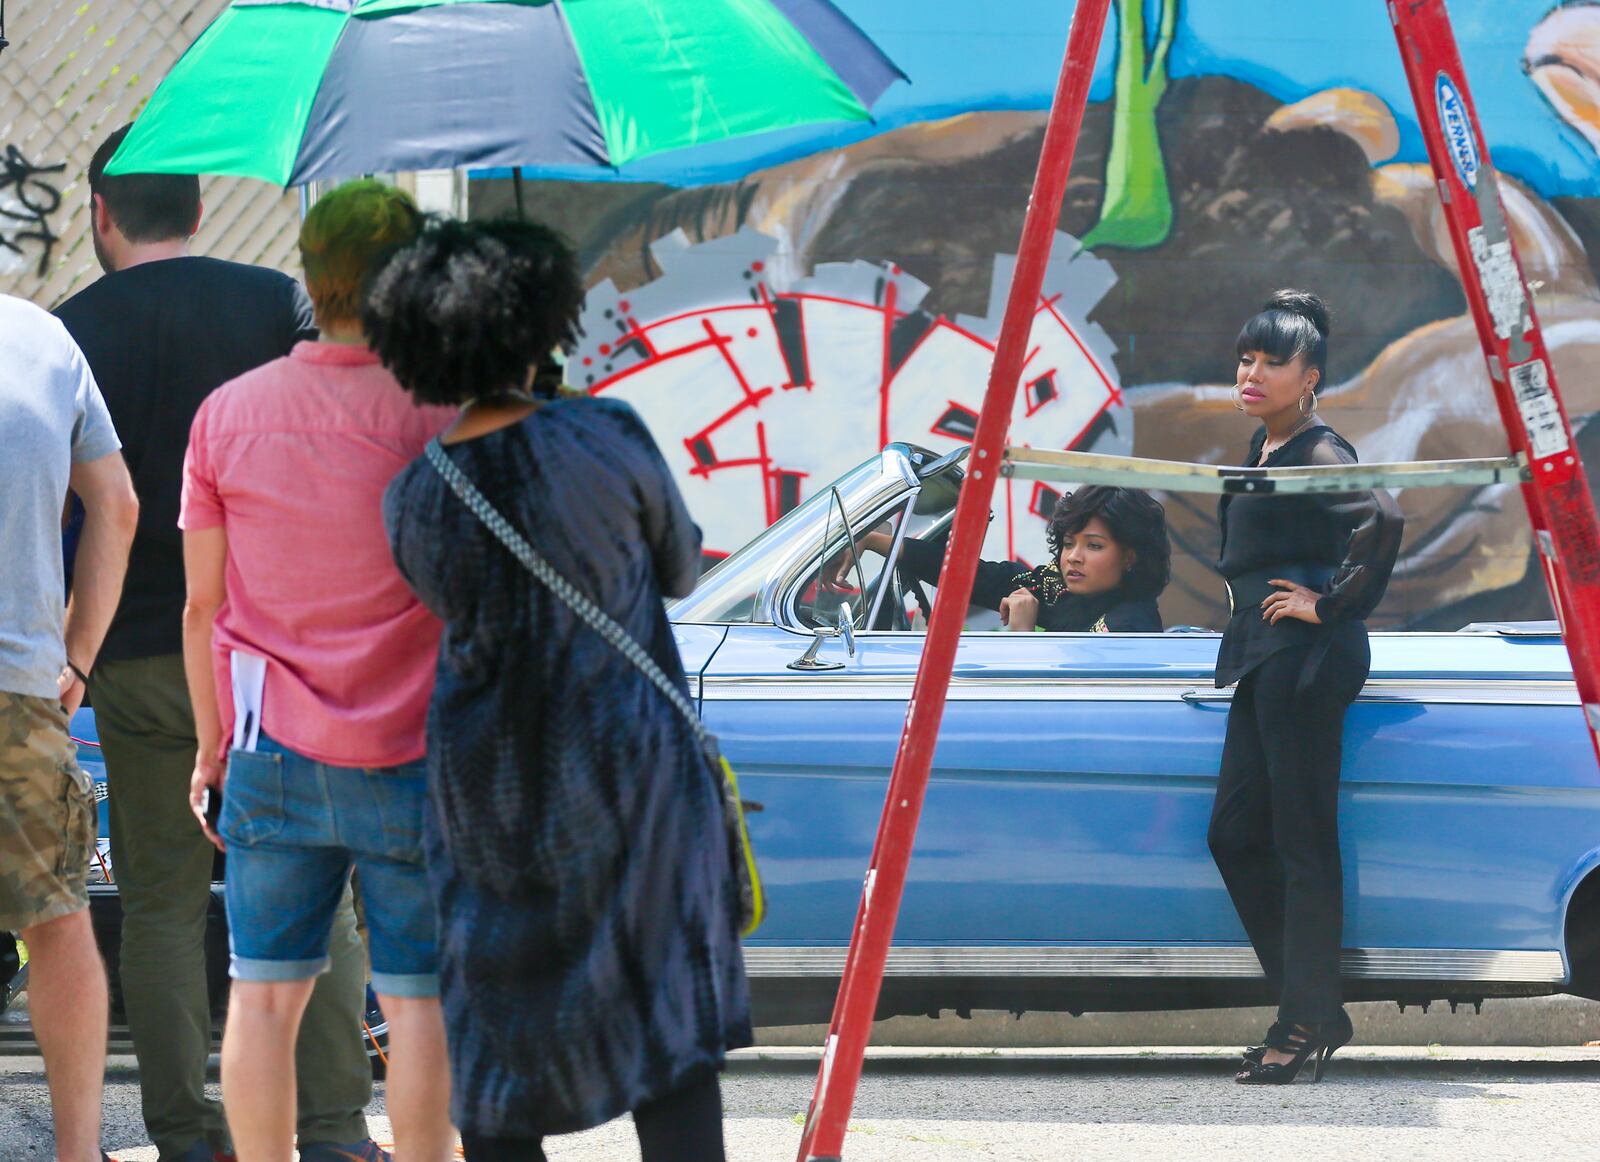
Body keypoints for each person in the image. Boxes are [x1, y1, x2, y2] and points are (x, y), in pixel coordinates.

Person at [371, 219, 753, 1162]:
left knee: (499, 1051)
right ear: (545, 321)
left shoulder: (416, 495)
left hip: (489, 793)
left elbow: (444, 599)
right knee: (669, 1041)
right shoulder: (608, 434)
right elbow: (679, 572)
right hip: (635, 777)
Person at [54, 125, 384, 1162]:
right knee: (310, 885)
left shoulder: (68, 331)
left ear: (102, 214)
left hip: (133, 654)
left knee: (155, 902)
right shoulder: (273, 307)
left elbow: (66, 511)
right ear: (198, 207)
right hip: (270, 657)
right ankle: (328, 1131)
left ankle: (185, 1135)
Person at [179, 181, 457, 1162]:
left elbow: (204, 606)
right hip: (413, 751)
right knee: (420, 1001)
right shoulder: (440, 412)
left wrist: (211, 746)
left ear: (309, 274)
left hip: (269, 749)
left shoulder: (228, 415)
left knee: (262, 996)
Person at [1205, 290, 1403, 1084]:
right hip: (1266, 651)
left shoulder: (1321, 452)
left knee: (1301, 843)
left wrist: (1331, 605)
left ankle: (1303, 1019)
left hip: (1307, 655)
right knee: (1233, 834)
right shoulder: (1263, 445)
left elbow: (1383, 517)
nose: (1251, 372)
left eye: (1270, 361)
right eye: (1245, 358)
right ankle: (1312, 1004)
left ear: (1309, 376)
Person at [0, 292, 139, 1162]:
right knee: (55, 918)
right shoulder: (43, 337)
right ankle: (79, 1153)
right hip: (20, 684)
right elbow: (116, 505)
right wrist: (77, 656)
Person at [840, 485, 1170, 631]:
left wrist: (1021, 636)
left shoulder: (1128, 625)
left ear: (1130, 557)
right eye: (1069, 544)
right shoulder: (1063, 589)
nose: (1073, 558)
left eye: (1094, 546)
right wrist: (872, 541)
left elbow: (1058, 705)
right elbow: (977, 578)